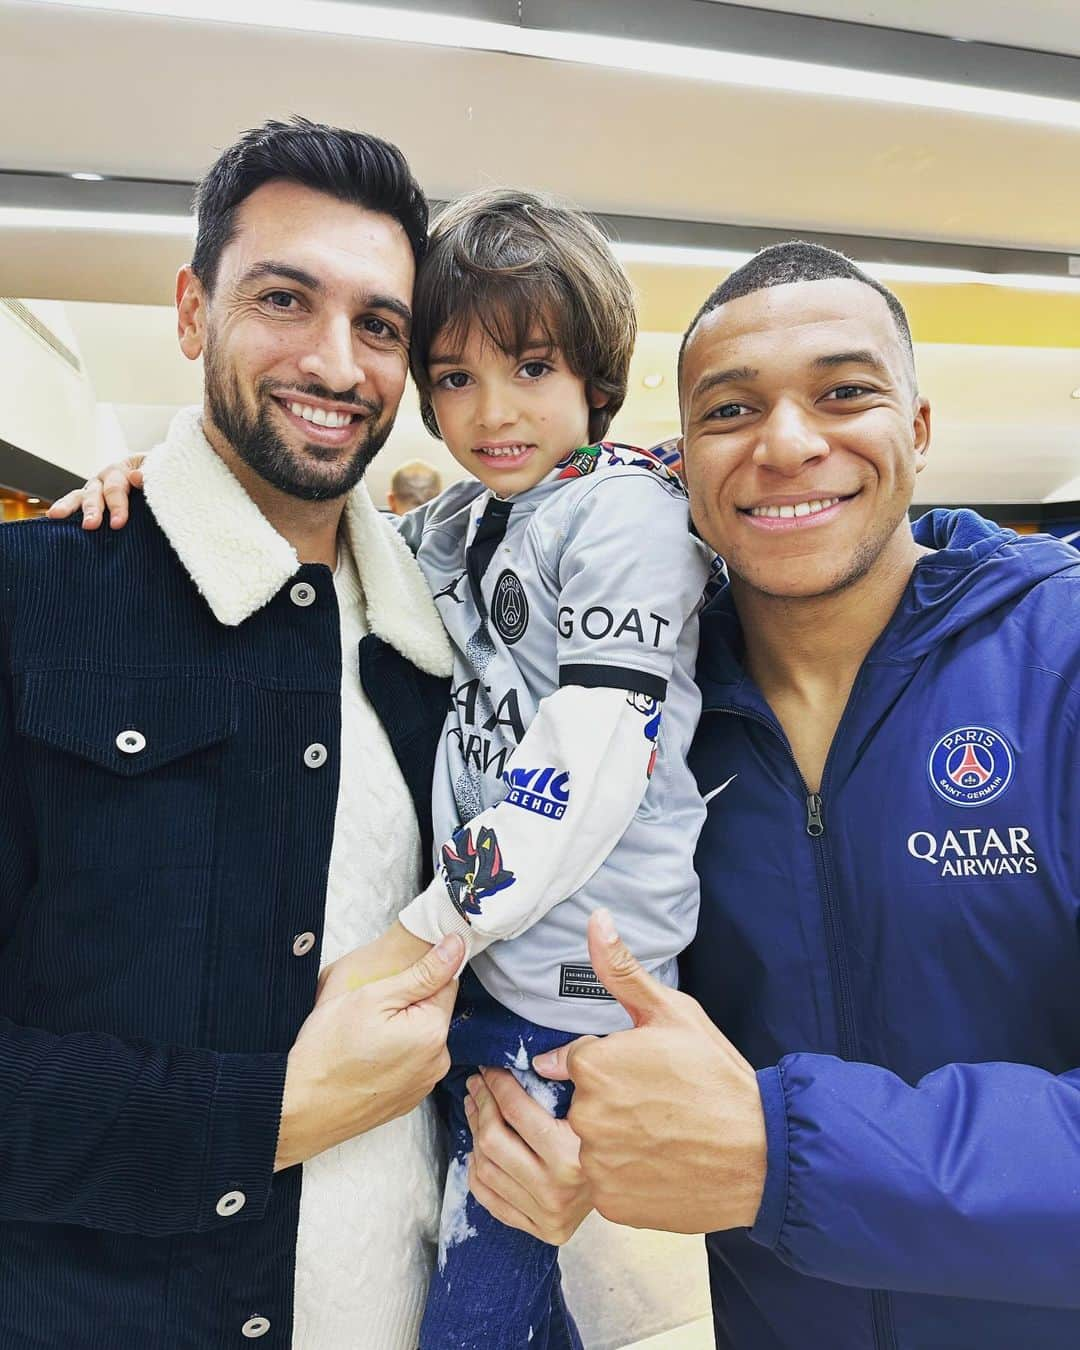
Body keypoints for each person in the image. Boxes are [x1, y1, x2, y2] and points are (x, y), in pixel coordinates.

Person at [56, 187, 713, 1350]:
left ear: (598, 379)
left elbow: (594, 753)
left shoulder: (628, 516)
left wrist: (421, 933)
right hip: (478, 986)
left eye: (532, 369)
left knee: (476, 1301)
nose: (492, 412)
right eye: (454, 378)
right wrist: (157, 485)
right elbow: (324, 546)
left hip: (568, 990)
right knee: (495, 1279)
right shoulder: (462, 526)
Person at [460, 241, 1080, 1349]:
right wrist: (564, 1142)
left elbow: (743, 1136)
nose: (789, 444)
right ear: (681, 460)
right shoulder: (641, 716)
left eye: (845, 392)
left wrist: (780, 1150)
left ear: (921, 430)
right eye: (733, 409)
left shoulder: (1061, 664)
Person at [2, 117, 470, 1350]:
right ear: (191, 311)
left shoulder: (444, 651)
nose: (337, 362)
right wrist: (262, 1112)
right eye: (284, 300)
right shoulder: (34, 605)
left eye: (379, 325)